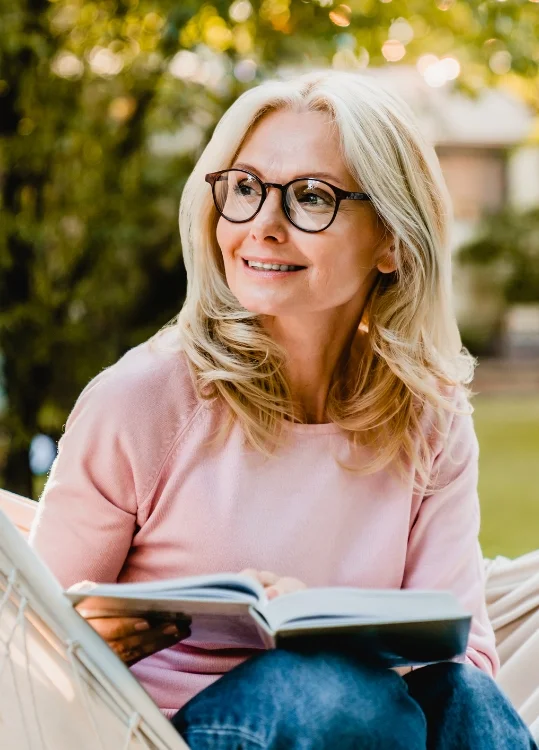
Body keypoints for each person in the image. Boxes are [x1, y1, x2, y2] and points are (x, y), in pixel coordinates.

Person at [28, 68, 537, 749]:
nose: (261, 226)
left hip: (372, 725)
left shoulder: (429, 416)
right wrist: (105, 637)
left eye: (309, 198)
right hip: (167, 733)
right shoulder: (143, 400)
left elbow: (462, 662)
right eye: (244, 189)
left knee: (460, 694)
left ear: (389, 239)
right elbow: (25, 649)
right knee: (322, 691)